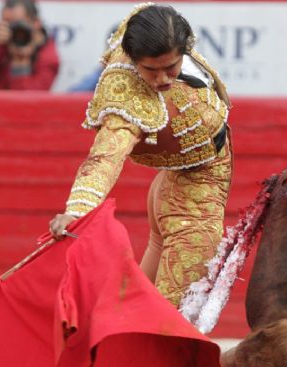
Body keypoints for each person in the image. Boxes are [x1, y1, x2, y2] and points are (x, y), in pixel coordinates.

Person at [49, 4, 232, 308]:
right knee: (172, 319)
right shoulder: (127, 95)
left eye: (170, 67)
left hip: (173, 182)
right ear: (133, 61)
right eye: (150, 70)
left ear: (184, 49)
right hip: (194, 195)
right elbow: (105, 156)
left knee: (136, 307)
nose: (162, 79)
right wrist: (78, 211)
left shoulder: (154, 28)